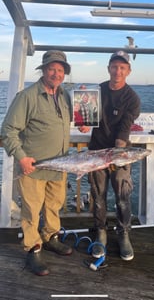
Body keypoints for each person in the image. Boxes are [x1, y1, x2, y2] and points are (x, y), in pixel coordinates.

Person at [1, 50, 75, 276]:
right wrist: (22, 157)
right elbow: (8, 131)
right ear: (43, 70)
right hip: (33, 168)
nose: (56, 73)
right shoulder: (27, 96)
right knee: (32, 211)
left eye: (60, 70)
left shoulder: (64, 96)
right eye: (52, 69)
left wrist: (82, 124)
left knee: (54, 206)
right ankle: (33, 248)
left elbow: (66, 124)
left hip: (60, 166)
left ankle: (51, 237)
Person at [88, 51, 140, 261]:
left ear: (128, 71)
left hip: (119, 154)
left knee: (123, 197)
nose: (117, 70)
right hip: (95, 152)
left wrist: (117, 153)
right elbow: (87, 118)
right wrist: (83, 124)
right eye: (114, 66)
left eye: (122, 67)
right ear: (108, 68)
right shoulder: (97, 91)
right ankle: (100, 230)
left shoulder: (132, 98)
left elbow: (124, 129)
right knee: (98, 198)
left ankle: (123, 232)